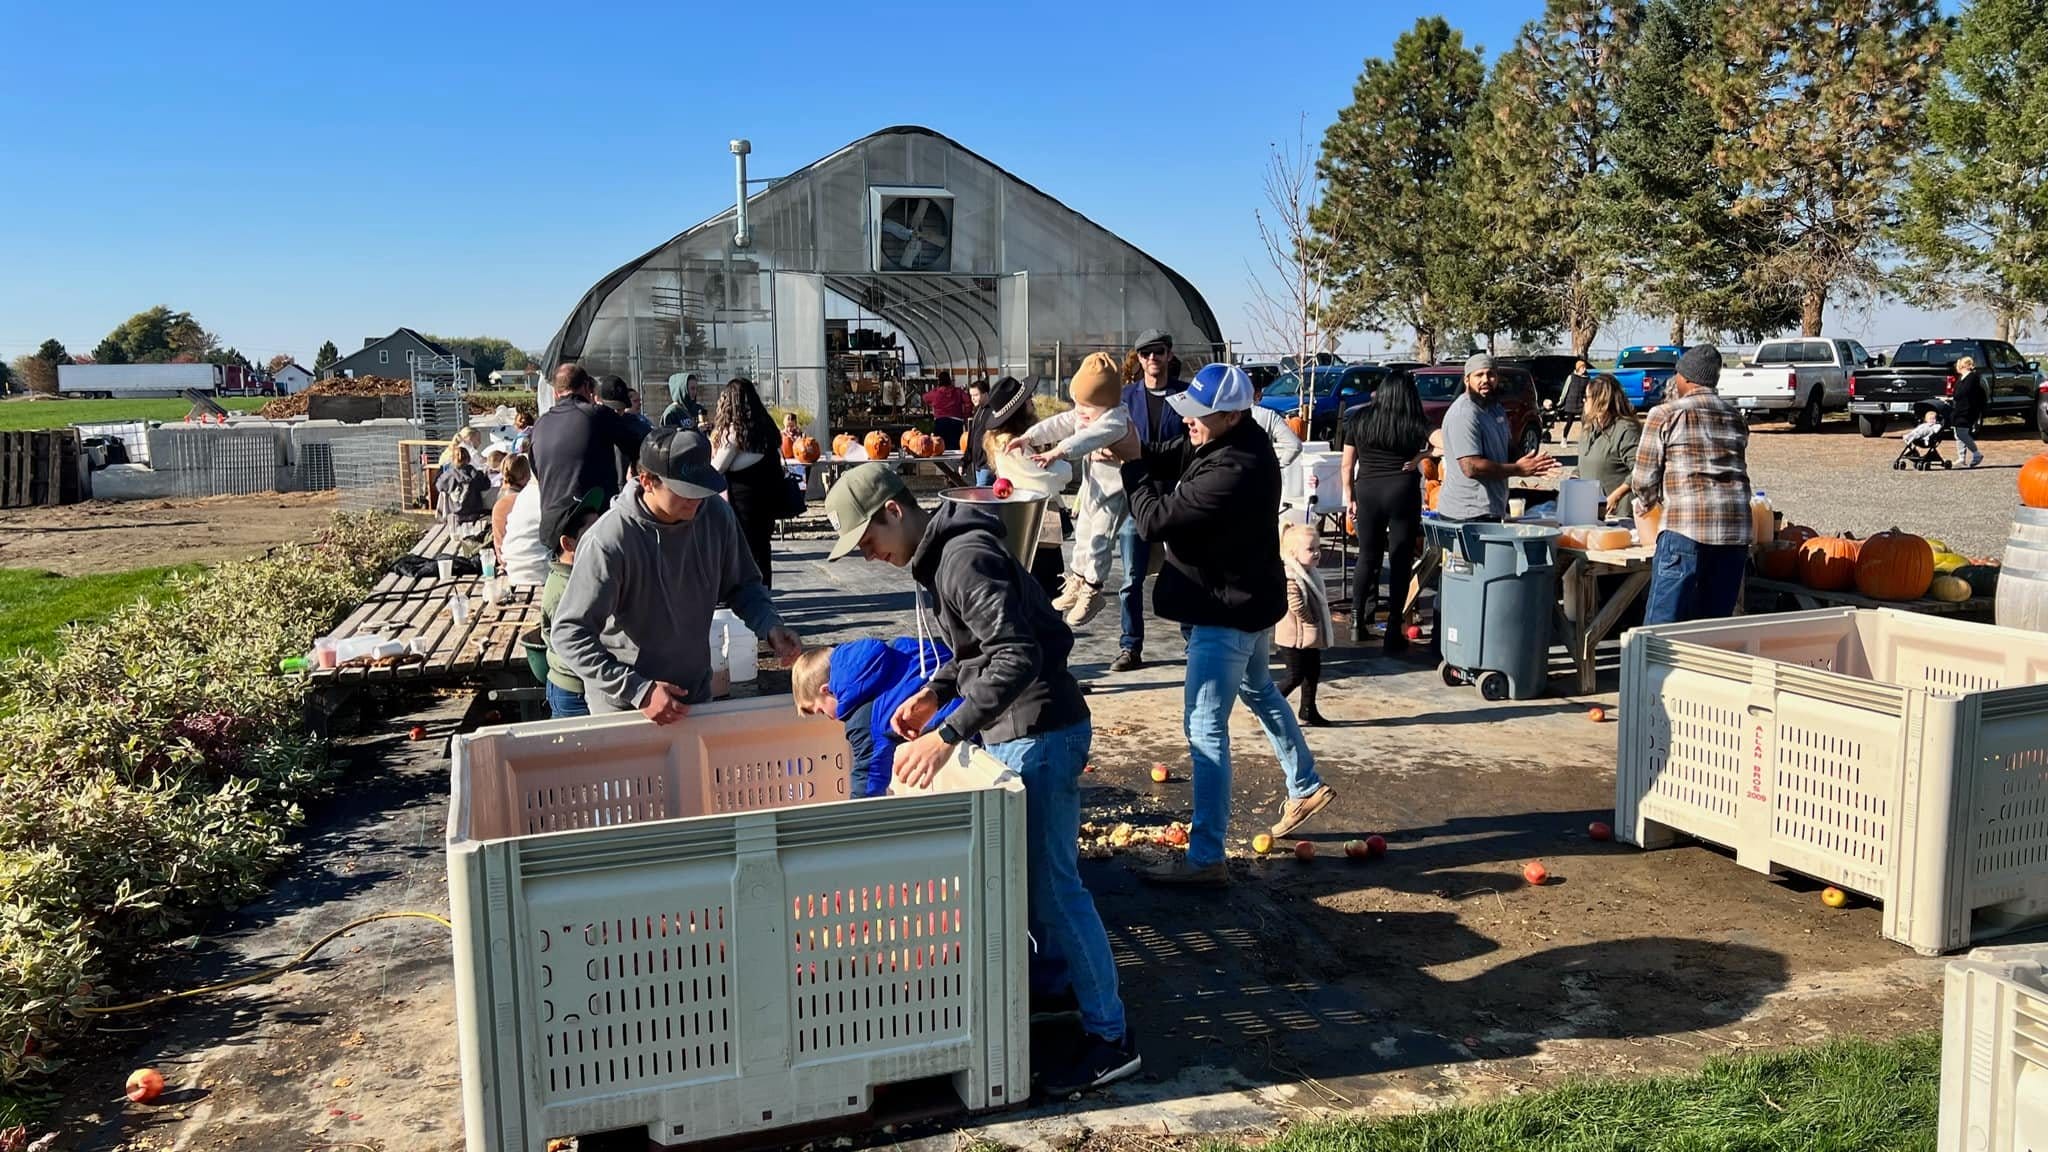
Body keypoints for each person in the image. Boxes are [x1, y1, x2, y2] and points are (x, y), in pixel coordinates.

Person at [822, 464, 1138, 1096]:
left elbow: (1019, 654)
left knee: (1055, 888)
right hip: (1024, 730)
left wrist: (947, 733)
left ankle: (1111, 1039)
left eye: (865, 540)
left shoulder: (961, 557)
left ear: (892, 510)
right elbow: (978, 652)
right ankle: (1060, 994)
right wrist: (932, 693)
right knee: (1033, 886)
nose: (868, 555)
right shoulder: (942, 558)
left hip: (1042, 733)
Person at [1108, 362, 1335, 885]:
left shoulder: (1236, 466)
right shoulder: (1228, 439)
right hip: (1247, 601)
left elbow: (1155, 521)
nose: (1188, 422)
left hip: (1225, 611)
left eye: (1198, 415)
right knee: (1259, 688)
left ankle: (1206, 856)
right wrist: (1136, 450)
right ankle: (1304, 784)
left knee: (1205, 726)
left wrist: (1132, 469)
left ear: (1232, 415)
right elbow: (1174, 453)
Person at [550, 428, 801, 719]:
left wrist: (770, 625)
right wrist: (637, 690)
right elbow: (570, 633)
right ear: (647, 481)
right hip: (626, 709)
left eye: (702, 488)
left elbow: (742, 585)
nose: (695, 499)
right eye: (684, 490)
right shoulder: (609, 540)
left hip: (695, 697)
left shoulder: (715, 515)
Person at [1631, 345, 1754, 625]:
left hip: (1686, 527)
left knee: (1661, 629)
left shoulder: (1665, 414)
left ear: (1684, 378)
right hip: (1734, 532)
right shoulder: (1736, 417)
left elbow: (1643, 478)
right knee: (1710, 629)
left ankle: (1657, 671)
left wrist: (1648, 502)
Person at [1014, 354, 1132, 627]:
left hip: (1115, 493)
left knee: (1101, 539)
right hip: (1093, 488)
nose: (1079, 411)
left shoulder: (1114, 419)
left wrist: (1057, 452)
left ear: (1105, 402)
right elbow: (1060, 423)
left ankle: (1093, 588)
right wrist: (1029, 437)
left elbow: (1084, 439)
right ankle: (1077, 579)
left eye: (1086, 406)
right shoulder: (1087, 413)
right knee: (1083, 533)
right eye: (1077, 403)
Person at [790, 637, 958, 799]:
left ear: (826, 690)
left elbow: (868, 778)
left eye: (821, 711)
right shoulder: (896, 647)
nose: (830, 718)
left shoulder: (863, 721)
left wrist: (856, 816)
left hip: (962, 726)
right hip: (972, 691)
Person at [1112, 329, 1188, 673]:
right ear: (1138, 358)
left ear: (1169, 354)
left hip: (1178, 495)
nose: (1152, 358)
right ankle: (1130, 646)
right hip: (1136, 495)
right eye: (1145, 353)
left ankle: (1193, 640)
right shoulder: (1126, 397)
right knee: (1131, 578)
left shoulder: (1186, 396)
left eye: (1157, 351)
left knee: (1187, 570)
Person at [1340, 372, 1431, 648]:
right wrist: (1420, 456)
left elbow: (1346, 464)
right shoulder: (1414, 423)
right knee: (1400, 558)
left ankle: (1358, 621)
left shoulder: (1359, 419)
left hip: (1367, 490)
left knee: (1367, 556)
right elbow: (1443, 442)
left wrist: (1349, 497)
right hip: (1402, 491)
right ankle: (1394, 627)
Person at [1440, 352, 1560, 522]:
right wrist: (1518, 469)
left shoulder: (1495, 408)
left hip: (1491, 509)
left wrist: (1533, 463)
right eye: (1479, 375)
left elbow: (1508, 448)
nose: (1485, 380)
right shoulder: (1464, 413)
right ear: (1467, 380)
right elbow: (1471, 466)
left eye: (1490, 374)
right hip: (1466, 514)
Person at [528, 363, 648, 532]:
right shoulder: (596, 414)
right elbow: (639, 447)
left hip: (552, 527)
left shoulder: (539, 425)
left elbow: (536, 469)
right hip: (592, 524)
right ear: (587, 387)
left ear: (555, 393)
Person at [983, 377, 1071, 597]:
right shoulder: (1010, 445)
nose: (1032, 402)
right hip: (1034, 527)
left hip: (1025, 525)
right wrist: (1060, 463)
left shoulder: (1010, 440)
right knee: (1046, 592)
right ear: (1019, 410)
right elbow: (1048, 479)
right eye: (1027, 400)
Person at [708, 377, 788, 588]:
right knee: (763, 549)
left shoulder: (736, 431)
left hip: (745, 501)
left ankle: (752, 597)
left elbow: (718, 467)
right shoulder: (765, 426)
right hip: (769, 496)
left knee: (747, 552)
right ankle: (764, 593)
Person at [539, 500, 604, 719]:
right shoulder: (564, 590)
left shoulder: (580, 576)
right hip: (573, 691)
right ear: (568, 543)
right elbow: (573, 644)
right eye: (592, 531)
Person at [1273, 521, 1334, 727]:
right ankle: (1267, 705)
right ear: (1293, 553)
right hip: (1294, 638)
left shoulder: (1310, 572)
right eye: (1310, 549)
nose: (1316, 553)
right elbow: (1296, 605)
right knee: (1295, 675)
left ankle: (1308, 710)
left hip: (1309, 637)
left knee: (1313, 673)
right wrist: (1312, 619)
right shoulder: (1291, 576)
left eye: (1318, 548)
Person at [1576, 375, 1643, 518]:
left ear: (1600, 400)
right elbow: (1584, 464)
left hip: (1620, 516)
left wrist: (1617, 495)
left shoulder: (1626, 430)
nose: (1584, 401)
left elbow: (1642, 470)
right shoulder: (1589, 428)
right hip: (1591, 512)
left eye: (1586, 397)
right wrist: (1573, 480)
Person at [435, 445, 493, 527]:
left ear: (452, 458)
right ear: (468, 458)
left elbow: (439, 486)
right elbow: (485, 486)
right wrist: (485, 476)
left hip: (455, 510)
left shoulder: (449, 474)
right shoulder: (472, 472)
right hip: (474, 509)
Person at [490, 454, 532, 561]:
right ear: (525, 476)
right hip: (528, 558)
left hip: (505, 559)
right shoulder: (526, 500)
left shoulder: (500, 497)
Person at [1950, 355, 1986, 468]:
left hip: (1968, 409)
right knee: (1957, 433)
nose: (1957, 366)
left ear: (1964, 366)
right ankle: (1961, 457)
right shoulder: (1961, 378)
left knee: (1962, 433)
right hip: (1959, 408)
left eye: (1959, 364)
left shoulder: (1972, 378)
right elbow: (1956, 393)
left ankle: (1977, 454)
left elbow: (1965, 393)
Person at [923, 370, 972, 450]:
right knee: (955, 447)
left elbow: (925, 397)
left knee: (940, 447)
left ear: (939, 382)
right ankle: (955, 462)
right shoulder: (958, 391)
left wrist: (933, 403)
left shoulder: (936, 392)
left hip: (940, 422)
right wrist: (966, 414)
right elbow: (968, 401)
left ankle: (942, 462)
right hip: (956, 421)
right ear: (950, 380)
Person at [598, 375, 655, 440]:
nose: (616, 412)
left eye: (620, 409)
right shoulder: (595, 423)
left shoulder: (634, 424)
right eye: (612, 409)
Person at [1551, 357, 1591, 441]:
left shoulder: (1587, 378)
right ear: (1578, 368)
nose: (1584, 369)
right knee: (1569, 422)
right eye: (1582, 367)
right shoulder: (1571, 377)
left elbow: (1588, 391)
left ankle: (1585, 439)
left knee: (1585, 422)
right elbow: (1565, 390)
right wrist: (1561, 401)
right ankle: (1564, 438)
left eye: (1584, 367)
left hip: (1581, 403)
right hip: (1571, 402)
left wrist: (1586, 399)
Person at [963, 378, 994, 484]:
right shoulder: (978, 411)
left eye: (976, 395)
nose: (973, 399)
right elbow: (971, 439)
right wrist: (965, 461)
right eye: (971, 396)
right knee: (983, 495)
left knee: (982, 494)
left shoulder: (993, 412)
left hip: (988, 464)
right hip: (978, 464)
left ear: (985, 394)